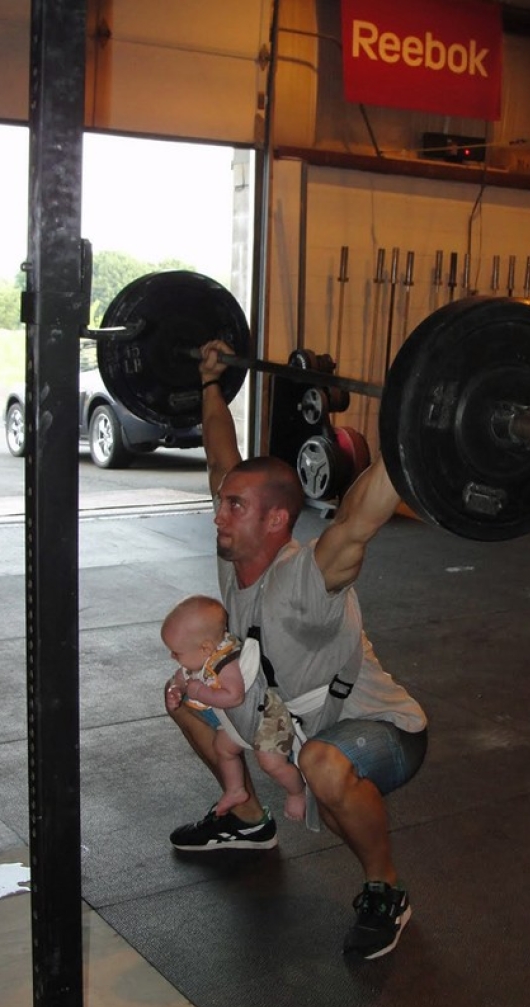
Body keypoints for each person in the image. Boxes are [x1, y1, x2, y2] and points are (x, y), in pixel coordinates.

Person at [166, 340, 428, 961]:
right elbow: (220, 457)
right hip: (295, 721)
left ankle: (384, 891)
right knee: (183, 698)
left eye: (234, 507)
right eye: (223, 503)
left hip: (383, 728)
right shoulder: (238, 556)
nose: (218, 516)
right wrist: (211, 382)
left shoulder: (309, 574)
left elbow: (360, 517)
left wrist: (416, 423)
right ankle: (247, 818)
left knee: (323, 766)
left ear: (278, 521)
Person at [161, 593, 306, 821]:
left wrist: (201, 692)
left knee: (271, 764)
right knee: (223, 749)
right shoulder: (201, 658)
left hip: (265, 719)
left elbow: (234, 697)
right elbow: (181, 677)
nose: (172, 656)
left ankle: (297, 791)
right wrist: (175, 689)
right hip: (237, 721)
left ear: (206, 648)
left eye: (176, 652)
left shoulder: (228, 662)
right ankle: (236, 789)